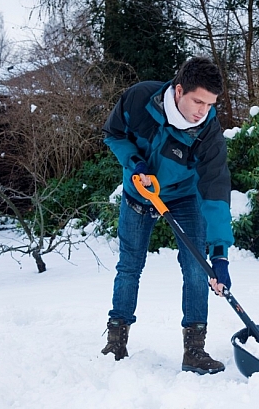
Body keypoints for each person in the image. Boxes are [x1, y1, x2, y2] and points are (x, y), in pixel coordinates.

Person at [100, 57, 234, 375]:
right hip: (139, 190)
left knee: (196, 270)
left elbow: (215, 194)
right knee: (130, 267)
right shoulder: (139, 99)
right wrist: (135, 162)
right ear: (178, 91)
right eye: (197, 101)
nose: (203, 111)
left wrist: (221, 255)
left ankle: (195, 350)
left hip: (184, 197)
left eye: (210, 104)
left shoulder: (208, 134)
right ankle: (116, 341)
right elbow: (114, 133)